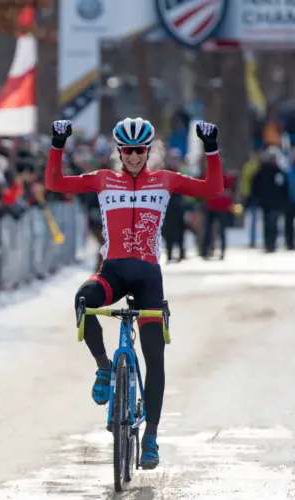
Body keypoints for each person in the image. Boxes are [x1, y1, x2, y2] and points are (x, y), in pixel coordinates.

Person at [45, 117, 224, 470]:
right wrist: (57, 144)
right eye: (127, 151)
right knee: (83, 300)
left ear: (148, 150)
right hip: (112, 272)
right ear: (119, 151)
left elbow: (212, 189)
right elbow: (54, 182)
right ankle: (103, 368)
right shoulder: (102, 179)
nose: (134, 157)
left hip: (147, 279)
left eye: (140, 151)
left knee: (154, 357)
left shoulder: (165, 180)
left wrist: (212, 149)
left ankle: (152, 436)